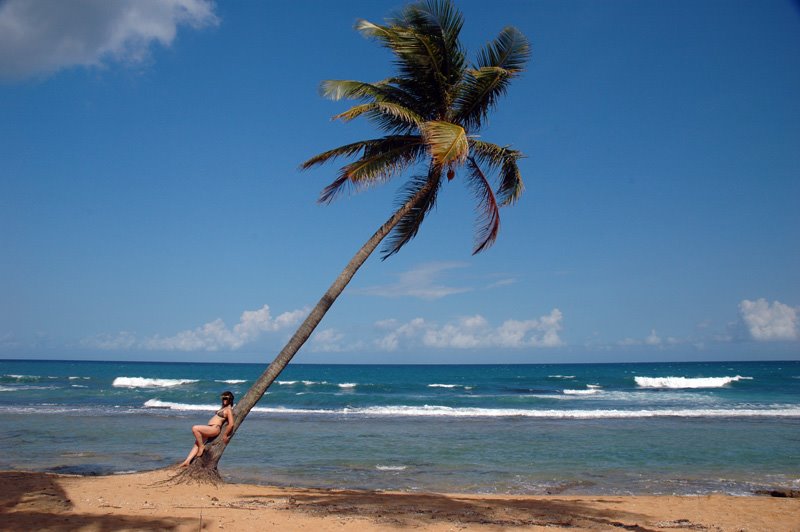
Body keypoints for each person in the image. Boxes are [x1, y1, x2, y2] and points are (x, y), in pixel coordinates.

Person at [180, 391, 235, 467]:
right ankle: (187, 461)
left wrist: (225, 435)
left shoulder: (229, 410)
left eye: (226, 398)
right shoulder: (223, 408)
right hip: (210, 428)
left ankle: (202, 446)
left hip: (215, 429)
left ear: (230, 399)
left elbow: (231, 424)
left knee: (195, 428)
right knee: (196, 444)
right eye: (223, 398)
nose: (224, 400)